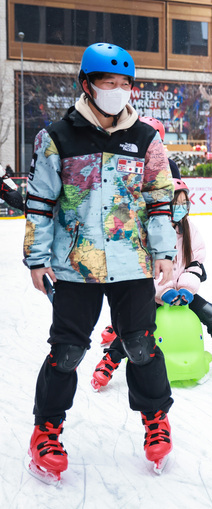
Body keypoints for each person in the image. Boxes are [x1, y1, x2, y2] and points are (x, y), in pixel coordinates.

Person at [23, 42, 176, 481]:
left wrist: (165, 251)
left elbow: (160, 200)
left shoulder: (147, 139)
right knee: (67, 351)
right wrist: (36, 257)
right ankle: (46, 429)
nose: (117, 90)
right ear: (86, 85)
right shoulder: (56, 136)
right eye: (108, 82)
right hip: (76, 264)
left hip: (133, 263)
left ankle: (156, 420)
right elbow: (39, 202)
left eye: (124, 83)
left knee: (141, 346)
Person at [91, 177, 212, 390]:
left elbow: (195, 261)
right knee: (137, 328)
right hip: (152, 293)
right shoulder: (147, 229)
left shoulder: (188, 228)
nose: (180, 208)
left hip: (182, 290)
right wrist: (164, 291)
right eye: (174, 203)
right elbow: (144, 269)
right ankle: (109, 361)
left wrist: (187, 289)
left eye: (183, 203)